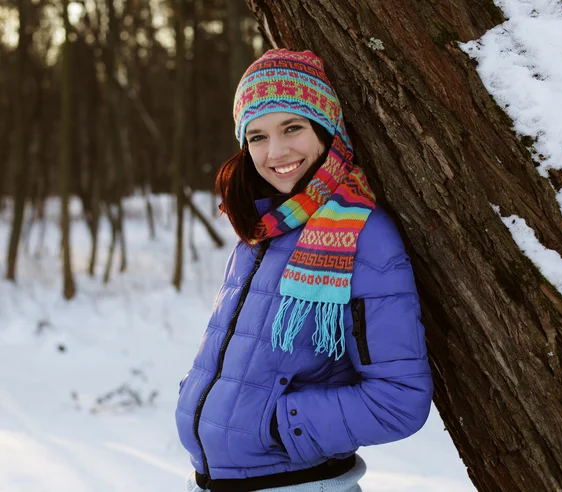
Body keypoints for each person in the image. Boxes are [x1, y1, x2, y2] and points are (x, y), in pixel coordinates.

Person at [176, 48, 433, 492]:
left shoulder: (362, 233)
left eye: (291, 127)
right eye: (256, 136)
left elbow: (399, 399)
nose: (275, 152)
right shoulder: (262, 229)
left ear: (325, 128)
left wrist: (275, 425)